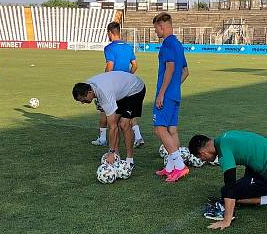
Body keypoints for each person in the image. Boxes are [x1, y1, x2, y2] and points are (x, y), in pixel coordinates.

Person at [189, 131, 267, 230]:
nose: (202, 160)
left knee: (226, 193)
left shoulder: (223, 153)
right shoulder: (225, 137)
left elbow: (230, 187)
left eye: (200, 157)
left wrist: (226, 220)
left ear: (202, 152)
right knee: (236, 190)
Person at [73, 71, 146, 170]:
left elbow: (113, 128)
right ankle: (117, 157)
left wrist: (110, 152)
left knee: (124, 124)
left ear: (90, 92)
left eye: (83, 99)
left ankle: (130, 160)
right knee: (114, 120)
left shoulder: (104, 94)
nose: (82, 102)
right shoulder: (88, 85)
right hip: (121, 92)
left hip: (135, 89)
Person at [92, 21, 144, 147]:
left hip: (113, 86)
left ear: (110, 33)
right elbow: (135, 65)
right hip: (127, 86)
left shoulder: (109, 48)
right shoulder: (127, 47)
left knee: (105, 110)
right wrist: (129, 76)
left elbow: (110, 65)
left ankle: (103, 138)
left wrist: (104, 80)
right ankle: (138, 136)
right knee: (128, 112)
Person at [151, 12, 189, 182]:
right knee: (171, 129)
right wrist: (174, 87)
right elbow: (186, 72)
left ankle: (180, 166)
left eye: (156, 29)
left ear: (162, 26)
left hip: (166, 94)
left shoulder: (167, 44)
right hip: (175, 94)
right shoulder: (178, 44)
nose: (156, 32)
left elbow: (170, 68)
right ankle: (171, 167)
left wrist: (162, 92)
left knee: (159, 128)